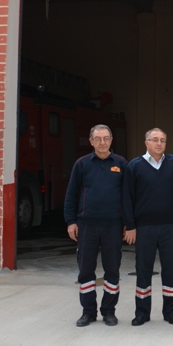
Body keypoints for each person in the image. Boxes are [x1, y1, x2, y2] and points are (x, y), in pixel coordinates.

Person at [65, 124, 128, 327]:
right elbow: (71, 194)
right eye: (98, 139)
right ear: (91, 141)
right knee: (86, 270)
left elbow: (127, 196)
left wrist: (128, 223)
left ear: (111, 140)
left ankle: (109, 312)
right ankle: (88, 312)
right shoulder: (81, 164)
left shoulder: (121, 164)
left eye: (106, 138)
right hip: (87, 226)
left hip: (113, 226)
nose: (102, 142)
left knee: (112, 270)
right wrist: (71, 221)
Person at [123, 128, 173, 326]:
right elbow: (127, 198)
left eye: (162, 140)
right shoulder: (134, 166)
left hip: (169, 227)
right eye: (154, 140)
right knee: (143, 270)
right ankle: (142, 313)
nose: (159, 143)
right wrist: (130, 226)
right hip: (144, 228)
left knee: (170, 270)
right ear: (146, 143)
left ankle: (171, 312)